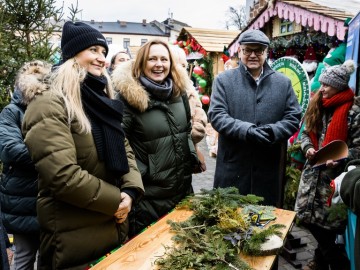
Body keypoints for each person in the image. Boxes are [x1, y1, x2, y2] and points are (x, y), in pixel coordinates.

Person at [21, 21, 144, 269]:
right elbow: (62, 175)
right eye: (93, 50)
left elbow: (125, 150)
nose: (102, 59)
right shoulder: (49, 102)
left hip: (113, 229)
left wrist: (130, 193)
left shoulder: (101, 99)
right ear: (73, 54)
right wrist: (114, 201)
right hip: (71, 239)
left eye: (103, 52)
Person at [111, 39, 199, 237]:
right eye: (152, 59)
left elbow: (185, 131)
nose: (159, 64)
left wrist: (193, 156)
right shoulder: (128, 98)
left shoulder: (179, 92)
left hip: (183, 191)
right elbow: (119, 144)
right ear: (142, 63)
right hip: (148, 198)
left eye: (164, 59)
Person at [207, 29, 302, 207]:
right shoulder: (224, 81)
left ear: (266, 52)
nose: (252, 55)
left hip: (268, 169)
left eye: (258, 50)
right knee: (229, 222)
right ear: (240, 51)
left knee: (265, 224)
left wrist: (273, 131)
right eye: (247, 50)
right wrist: (247, 130)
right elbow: (217, 115)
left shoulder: (283, 83)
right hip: (233, 167)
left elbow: (293, 117)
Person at [295, 60, 360, 270]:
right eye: (321, 83)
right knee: (309, 221)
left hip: (334, 183)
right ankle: (321, 262)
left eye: (326, 85)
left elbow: (358, 148)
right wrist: (308, 149)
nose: (321, 88)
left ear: (339, 85)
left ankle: (336, 264)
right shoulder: (318, 104)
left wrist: (341, 158)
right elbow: (305, 133)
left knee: (327, 230)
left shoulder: (354, 112)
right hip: (312, 177)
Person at [0, 60, 51, 269]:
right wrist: (53, 158)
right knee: (24, 257)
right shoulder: (11, 112)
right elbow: (11, 149)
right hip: (21, 198)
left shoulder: (54, 108)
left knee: (49, 258)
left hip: (49, 194)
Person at [170, 45, 207, 171]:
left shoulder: (189, 89)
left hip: (185, 151)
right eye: (178, 65)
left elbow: (198, 118)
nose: (182, 70)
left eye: (183, 66)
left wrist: (195, 147)